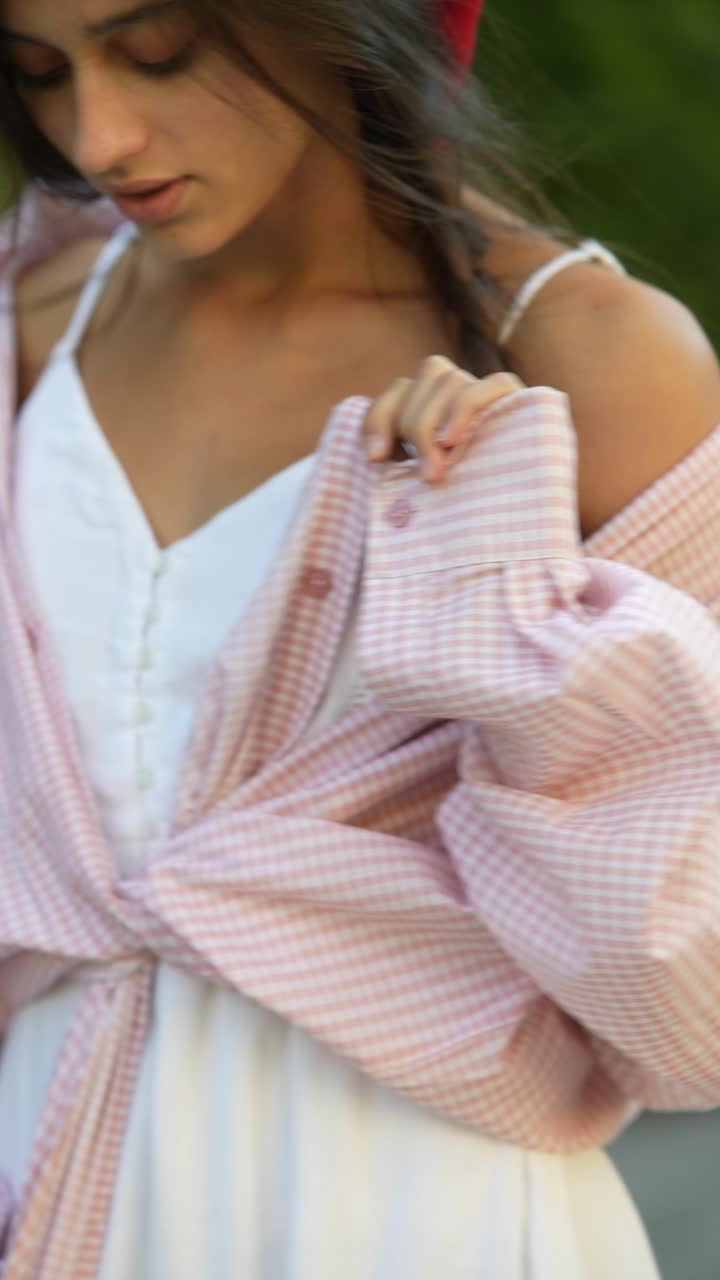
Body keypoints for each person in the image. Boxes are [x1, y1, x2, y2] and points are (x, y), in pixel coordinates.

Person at [0, 2, 718, 1278]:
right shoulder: (36, 309)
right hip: (46, 1160)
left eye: (161, 52)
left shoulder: (595, 360)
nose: (97, 134)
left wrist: (495, 592)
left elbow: (685, 986)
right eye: (42, 74)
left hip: (403, 1206)